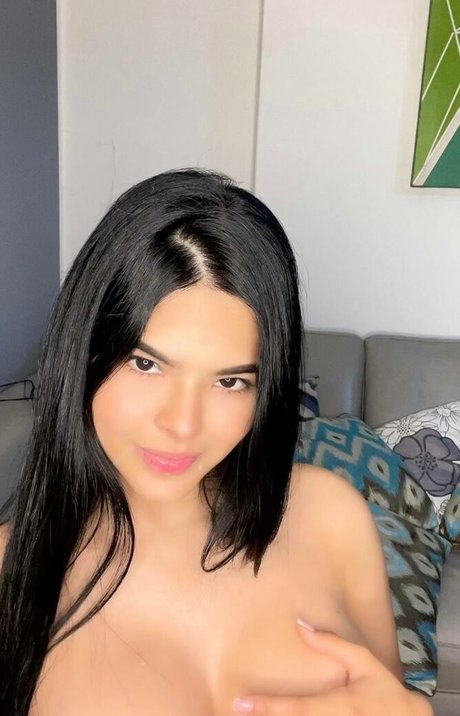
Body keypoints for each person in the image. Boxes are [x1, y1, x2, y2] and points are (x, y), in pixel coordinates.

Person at [0, 169, 432, 716]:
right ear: (82, 354)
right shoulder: (10, 573)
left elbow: (384, 697)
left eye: (230, 381)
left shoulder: (333, 517)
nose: (184, 424)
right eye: (146, 364)